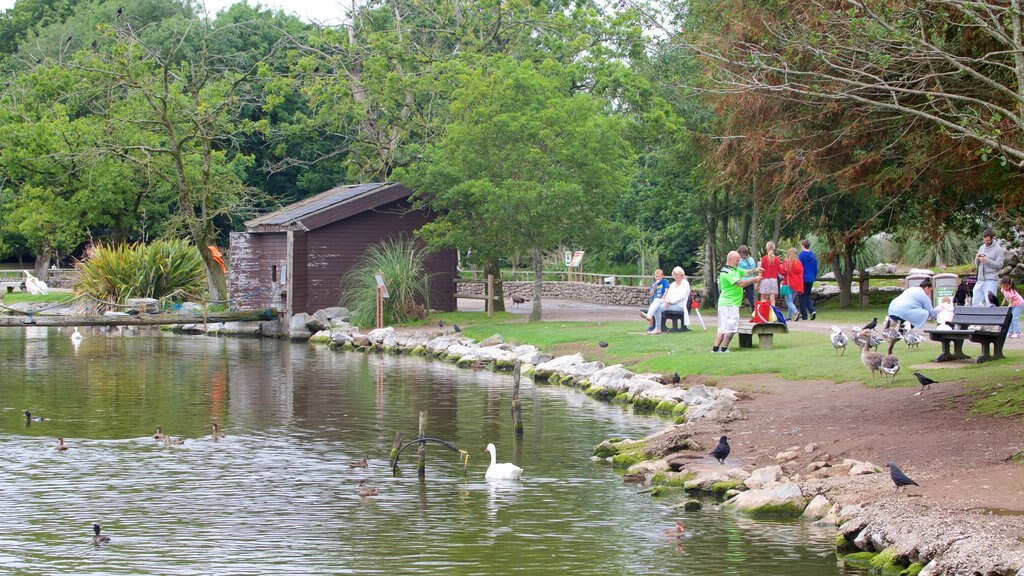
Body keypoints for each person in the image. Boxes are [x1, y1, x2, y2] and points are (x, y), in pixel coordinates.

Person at [713, 251, 762, 353]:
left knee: (722, 328)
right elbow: (740, 283)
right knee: (731, 327)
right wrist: (753, 280)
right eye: (737, 260)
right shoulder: (728, 272)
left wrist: (755, 270)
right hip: (730, 304)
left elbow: (745, 273)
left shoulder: (733, 269)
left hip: (726, 303)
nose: (738, 262)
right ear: (730, 259)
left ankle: (715, 349)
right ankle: (724, 349)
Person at [645, 267, 690, 335]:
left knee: (658, 308)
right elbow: (667, 295)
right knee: (657, 300)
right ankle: (649, 315)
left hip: (680, 305)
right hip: (670, 303)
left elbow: (682, 296)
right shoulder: (672, 284)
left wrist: (671, 301)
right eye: (675, 275)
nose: (676, 276)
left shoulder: (685, 283)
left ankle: (657, 328)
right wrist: (667, 299)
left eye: (678, 275)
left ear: (681, 275)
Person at [973, 229, 1005, 306]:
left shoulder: (998, 249)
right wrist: (977, 258)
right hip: (980, 280)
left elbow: (999, 265)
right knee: (975, 303)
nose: (986, 242)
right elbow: (977, 264)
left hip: (991, 280)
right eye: (985, 241)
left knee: (990, 304)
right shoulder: (982, 247)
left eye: (988, 241)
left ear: (992, 238)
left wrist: (987, 260)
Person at [781, 247, 804, 321]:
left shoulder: (787, 263)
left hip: (788, 284)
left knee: (788, 301)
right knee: (791, 301)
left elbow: (782, 272)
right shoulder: (799, 263)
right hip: (796, 284)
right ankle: (789, 316)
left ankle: (796, 312)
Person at [798, 239, 818, 320]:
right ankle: (812, 310)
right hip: (811, 278)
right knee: (807, 295)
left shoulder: (801, 255)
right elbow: (815, 267)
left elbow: (799, 267)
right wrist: (814, 276)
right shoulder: (813, 255)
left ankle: (804, 315)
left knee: (802, 296)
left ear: (803, 245)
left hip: (803, 278)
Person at [758, 241, 782, 307]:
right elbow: (780, 271)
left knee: (763, 298)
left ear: (766, 248)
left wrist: (758, 282)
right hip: (773, 280)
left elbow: (761, 270)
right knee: (772, 299)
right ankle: (772, 313)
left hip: (765, 280)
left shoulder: (764, 258)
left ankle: (763, 313)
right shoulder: (777, 259)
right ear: (774, 248)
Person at [737, 245, 757, 311]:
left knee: (738, 296)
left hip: (741, 281)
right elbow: (753, 269)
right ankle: (754, 311)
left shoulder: (738, 260)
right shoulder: (751, 260)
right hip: (750, 281)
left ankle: (736, 309)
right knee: (750, 297)